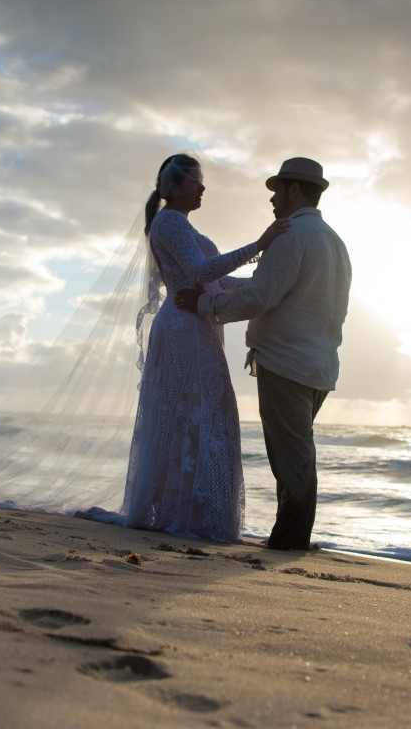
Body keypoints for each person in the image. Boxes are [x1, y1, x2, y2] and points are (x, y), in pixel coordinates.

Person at [174, 157, 351, 550]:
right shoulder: (336, 243)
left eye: (276, 191)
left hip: (286, 363)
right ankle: (291, 540)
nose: (272, 201)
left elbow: (261, 296)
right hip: (320, 365)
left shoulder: (289, 235)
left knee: (293, 465)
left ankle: (288, 544)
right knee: (297, 458)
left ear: (294, 190)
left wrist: (204, 306)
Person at [122, 153, 289, 542]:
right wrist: (259, 244)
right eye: (196, 181)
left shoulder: (181, 225)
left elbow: (216, 282)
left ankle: (194, 510)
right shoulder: (168, 221)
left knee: (204, 415)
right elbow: (200, 271)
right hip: (183, 328)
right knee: (190, 415)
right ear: (175, 187)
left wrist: (263, 284)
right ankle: (181, 512)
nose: (202, 188)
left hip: (197, 326)